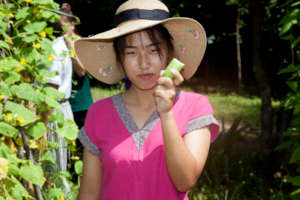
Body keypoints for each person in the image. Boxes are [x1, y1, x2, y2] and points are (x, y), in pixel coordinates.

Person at [75, 0, 219, 199]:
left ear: (169, 52)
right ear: (120, 58)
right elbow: (89, 193)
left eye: (153, 50)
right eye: (132, 52)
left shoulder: (195, 107)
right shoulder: (99, 113)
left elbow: (184, 181)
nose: (144, 63)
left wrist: (166, 113)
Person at [45, 3, 82, 195]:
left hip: (53, 110)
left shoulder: (55, 48)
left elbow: (51, 87)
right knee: (59, 164)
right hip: (62, 108)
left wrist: (42, 123)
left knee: (54, 168)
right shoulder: (63, 45)